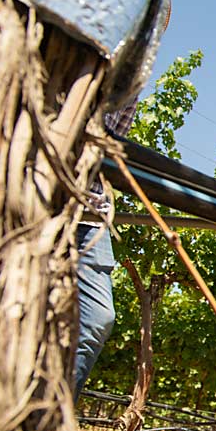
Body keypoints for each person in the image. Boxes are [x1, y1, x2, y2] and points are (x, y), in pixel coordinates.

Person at [73, 102, 137, 400]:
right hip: (32, 204)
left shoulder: (129, 82)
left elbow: (107, 148)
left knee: (96, 319)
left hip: (89, 216)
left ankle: (45, 427)